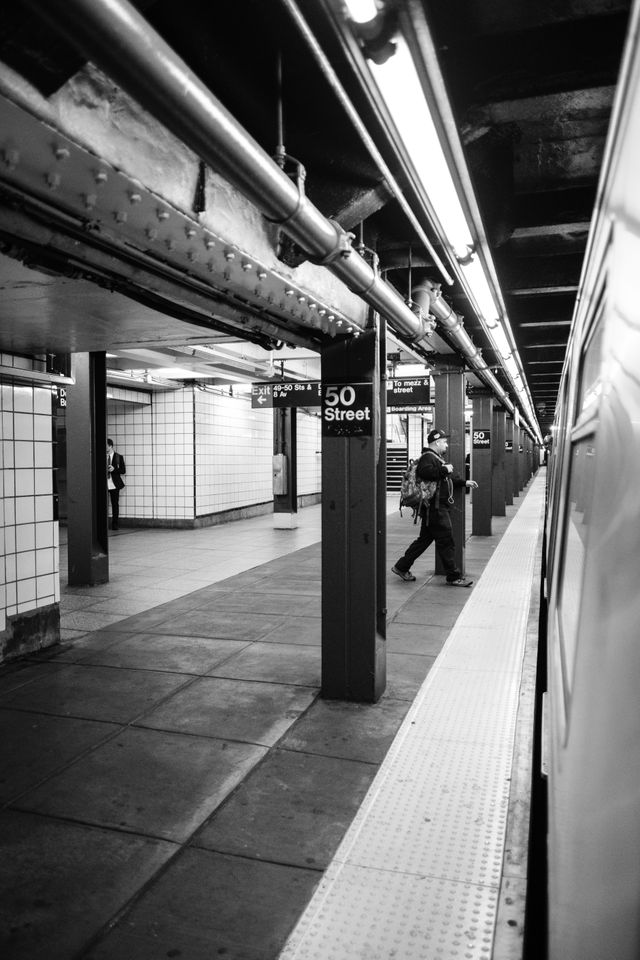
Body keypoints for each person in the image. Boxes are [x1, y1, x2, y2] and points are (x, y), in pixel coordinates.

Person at [391, 428, 478, 586]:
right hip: (435, 509)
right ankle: (453, 576)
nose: (446, 445)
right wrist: (444, 469)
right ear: (437, 442)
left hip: (432, 508)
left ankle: (401, 566)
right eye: (444, 442)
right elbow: (426, 473)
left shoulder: (436, 458)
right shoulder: (428, 458)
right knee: (446, 541)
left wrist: (464, 483)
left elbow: (445, 479)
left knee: (424, 540)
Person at [107, 438, 126, 530]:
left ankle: (115, 524)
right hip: (104, 484)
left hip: (114, 484)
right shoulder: (100, 456)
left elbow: (123, 471)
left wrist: (114, 469)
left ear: (110, 446)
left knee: (115, 504)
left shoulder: (119, 457)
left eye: (106, 445)